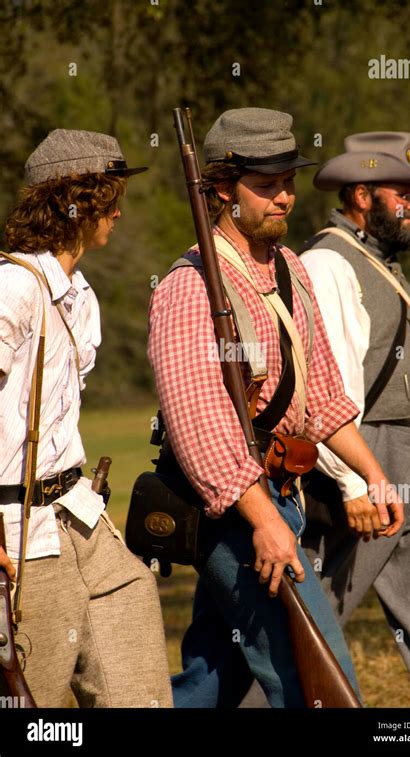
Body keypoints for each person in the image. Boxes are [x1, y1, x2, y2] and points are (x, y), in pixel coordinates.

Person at [148, 108, 404, 708]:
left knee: (211, 681)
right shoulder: (190, 287)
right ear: (219, 191)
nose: (285, 197)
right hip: (236, 513)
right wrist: (264, 521)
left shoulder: (288, 268)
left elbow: (322, 400)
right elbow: (201, 428)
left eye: (288, 181)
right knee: (320, 682)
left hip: (278, 497)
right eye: (265, 186)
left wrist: (374, 473)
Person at [0, 129, 173, 708]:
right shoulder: (12, 288)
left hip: (80, 515)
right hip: (20, 532)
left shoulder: (81, 296)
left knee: (135, 616)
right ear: (73, 201)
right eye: (109, 197)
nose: (119, 211)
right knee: (35, 698)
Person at [299, 131, 410, 704]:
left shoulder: (381, 263)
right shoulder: (327, 263)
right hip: (365, 456)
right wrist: (354, 480)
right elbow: (325, 395)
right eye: (404, 192)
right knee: (308, 623)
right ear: (362, 192)